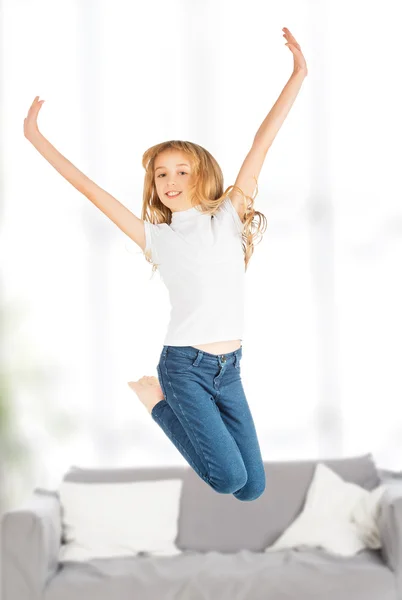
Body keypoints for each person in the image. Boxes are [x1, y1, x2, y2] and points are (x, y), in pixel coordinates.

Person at [23, 27, 307, 501]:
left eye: (181, 171)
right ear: (153, 185)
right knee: (229, 480)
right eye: (161, 174)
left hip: (230, 368)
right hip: (184, 368)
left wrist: (297, 74)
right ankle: (156, 403)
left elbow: (263, 141)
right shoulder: (156, 236)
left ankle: (167, 405)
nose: (170, 180)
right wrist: (36, 138)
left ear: (203, 175)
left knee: (252, 489)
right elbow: (91, 190)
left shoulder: (231, 216)